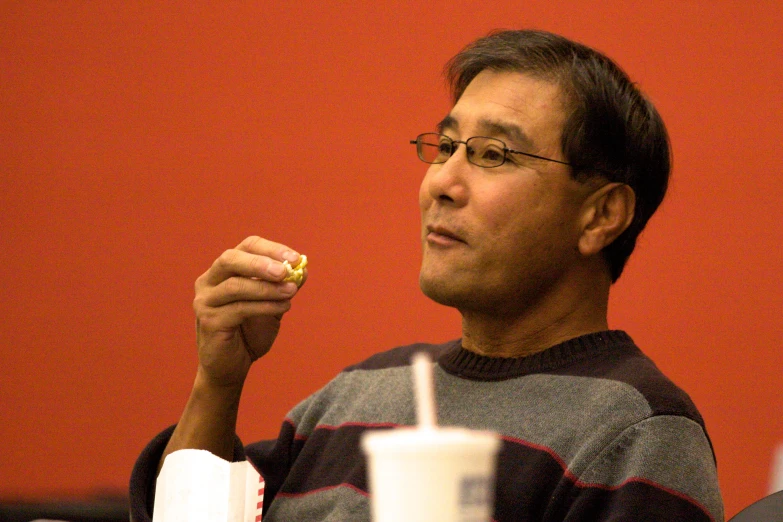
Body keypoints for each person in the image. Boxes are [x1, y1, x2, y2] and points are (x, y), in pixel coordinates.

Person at [130, 29, 724, 521]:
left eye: (494, 154)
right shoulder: (352, 398)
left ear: (600, 216)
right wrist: (218, 379)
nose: (441, 182)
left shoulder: (637, 436)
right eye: (444, 146)